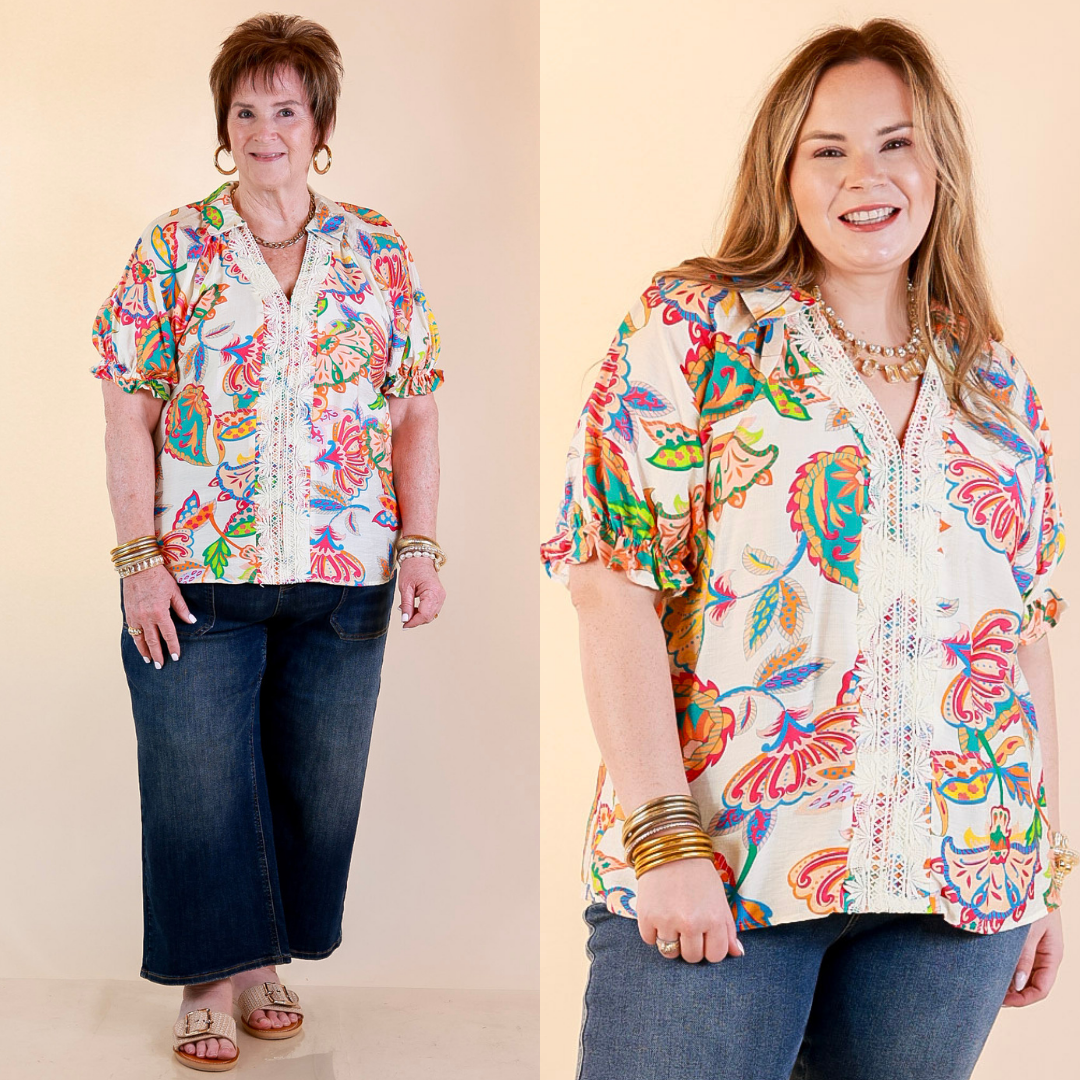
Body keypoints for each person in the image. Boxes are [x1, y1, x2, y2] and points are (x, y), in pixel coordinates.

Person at [541, 18, 1076, 1080]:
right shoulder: (695, 330)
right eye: (826, 149)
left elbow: (1021, 642)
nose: (863, 176)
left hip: (956, 894)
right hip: (726, 870)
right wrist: (663, 839)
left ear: (940, 166)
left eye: (895, 143)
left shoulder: (996, 387)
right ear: (783, 171)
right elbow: (610, 586)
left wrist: (1045, 872)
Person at [92, 13, 445, 1072]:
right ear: (223, 125)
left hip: (344, 578)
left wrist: (422, 543)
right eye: (246, 110)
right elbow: (126, 408)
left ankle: (260, 960)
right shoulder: (174, 247)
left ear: (319, 123)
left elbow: (416, 405)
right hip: (200, 573)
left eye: (285, 109)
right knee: (198, 778)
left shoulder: (378, 251)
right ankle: (209, 979)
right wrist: (136, 559)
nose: (264, 129)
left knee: (314, 785)